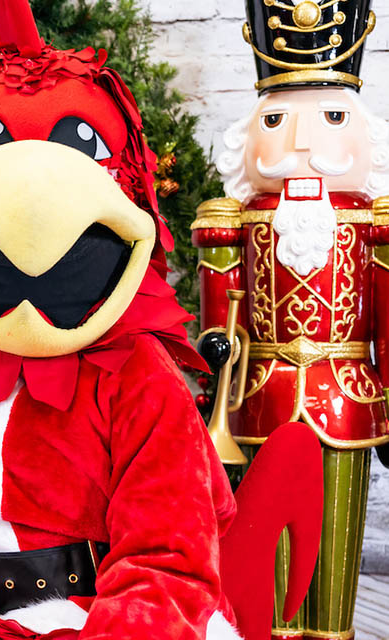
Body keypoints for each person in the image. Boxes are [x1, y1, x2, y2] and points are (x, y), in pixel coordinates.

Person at [195, 3, 389, 638]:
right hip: (261, 392)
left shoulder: (375, 222)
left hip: (348, 392)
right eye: (276, 121)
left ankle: (334, 627)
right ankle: (265, 626)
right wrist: (217, 348)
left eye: (333, 119)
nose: (302, 143)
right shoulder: (234, 219)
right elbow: (217, 317)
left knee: (338, 532)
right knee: (260, 533)